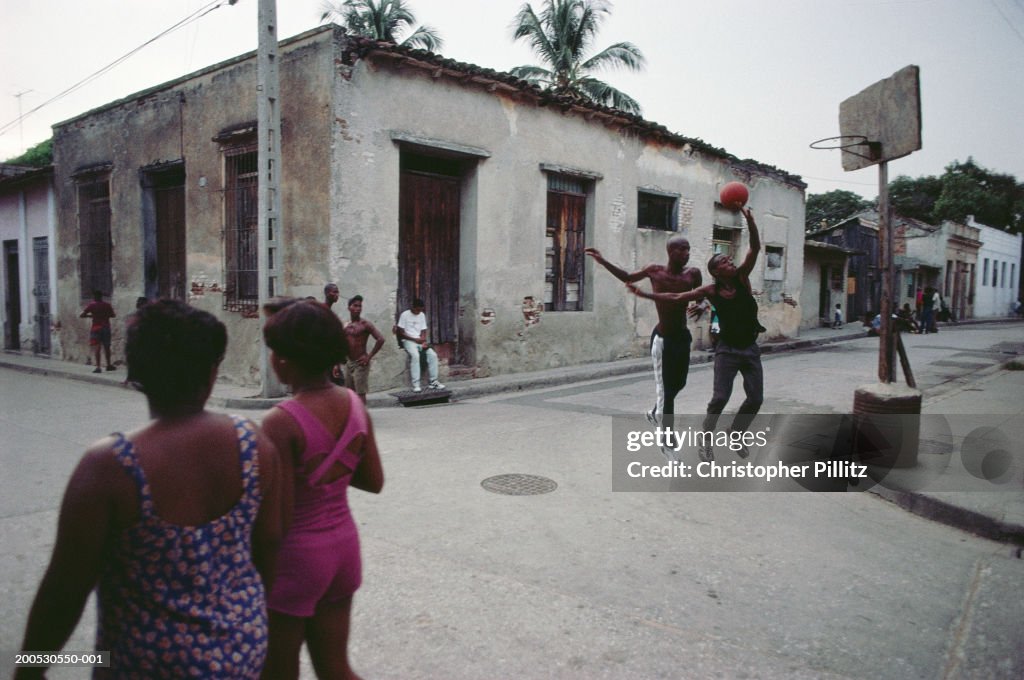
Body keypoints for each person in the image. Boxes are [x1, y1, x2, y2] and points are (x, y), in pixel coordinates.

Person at [16, 300, 283, 679]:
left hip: (144, 663)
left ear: (136, 373)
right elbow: (270, 546)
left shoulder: (111, 465)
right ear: (212, 370)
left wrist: (28, 668)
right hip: (240, 650)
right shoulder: (253, 444)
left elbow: (65, 589)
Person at [260, 298, 384, 680]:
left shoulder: (280, 421)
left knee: (278, 672)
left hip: (297, 557)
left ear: (282, 360)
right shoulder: (353, 403)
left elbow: (272, 524)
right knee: (335, 667)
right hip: (343, 547)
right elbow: (373, 481)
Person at [627, 207, 765, 462]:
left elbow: (754, 249)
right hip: (727, 349)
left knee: (756, 398)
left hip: (750, 348)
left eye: (729, 259)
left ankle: (736, 433)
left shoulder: (742, 278)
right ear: (716, 271)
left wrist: (751, 222)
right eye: (723, 261)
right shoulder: (711, 290)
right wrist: (645, 294)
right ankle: (705, 438)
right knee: (719, 398)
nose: (730, 261)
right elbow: (677, 296)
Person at [585, 235, 702, 426]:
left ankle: (656, 411)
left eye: (688, 249)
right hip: (663, 338)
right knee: (666, 390)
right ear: (671, 252)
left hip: (682, 336)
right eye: (683, 249)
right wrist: (602, 261)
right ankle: (668, 437)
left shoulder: (693, 274)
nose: (687, 253)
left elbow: (701, 297)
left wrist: (702, 306)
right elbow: (628, 277)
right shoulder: (654, 271)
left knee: (679, 384)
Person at [394, 298, 446, 392]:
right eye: (417, 309)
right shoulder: (405, 315)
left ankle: (433, 381)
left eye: (421, 310)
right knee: (415, 356)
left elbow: (423, 330)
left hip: (419, 340)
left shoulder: (421, 315)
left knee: (433, 355)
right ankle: (416, 384)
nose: (419, 312)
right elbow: (400, 332)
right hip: (408, 340)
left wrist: (424, 341)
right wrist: (414, 339)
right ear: (412, 307)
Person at [343, 295, 385, 404]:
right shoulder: (346, 325)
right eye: (355, 306)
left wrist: (369, 356)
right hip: (349, 362)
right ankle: (353, 417)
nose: (358, 308)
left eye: (360, 306)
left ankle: (362, 417)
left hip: (361, 362)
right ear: (349, 308)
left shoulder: (365, 324)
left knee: (360, 392)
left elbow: (380, 339)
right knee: (349, 392)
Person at [80, 289, 116, 373]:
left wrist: (91, 315)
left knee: (97, 347)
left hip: (96, 327)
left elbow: (82, 315)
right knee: (107, 347)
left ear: (94, 297)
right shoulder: (107, 305)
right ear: (101, 297)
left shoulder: (92, 305)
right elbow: (113, 315)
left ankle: (98, 367)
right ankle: (108, 365)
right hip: (106, 327)